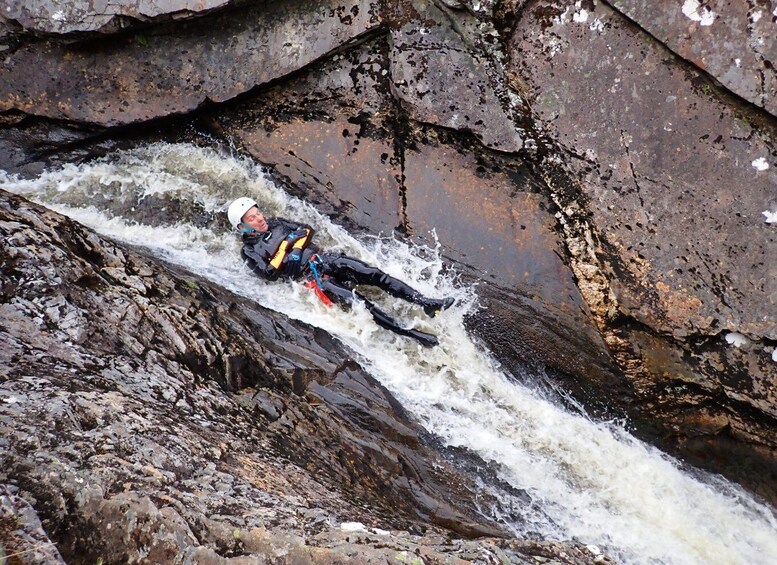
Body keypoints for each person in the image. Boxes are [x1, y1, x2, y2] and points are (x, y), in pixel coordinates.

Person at [227, 197, 454, 346]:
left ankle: (425, 302)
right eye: (252, 218)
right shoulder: (249, 251)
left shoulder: (277, 223)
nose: (260, 218)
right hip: (313, 280)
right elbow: (268, 273)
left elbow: (306, 230)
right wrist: (289, 245)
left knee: (375, 274)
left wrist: (294, 248)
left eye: (258, 213)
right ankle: (411, 335)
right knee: (361, 303)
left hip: (326, 259)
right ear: (242, 226)